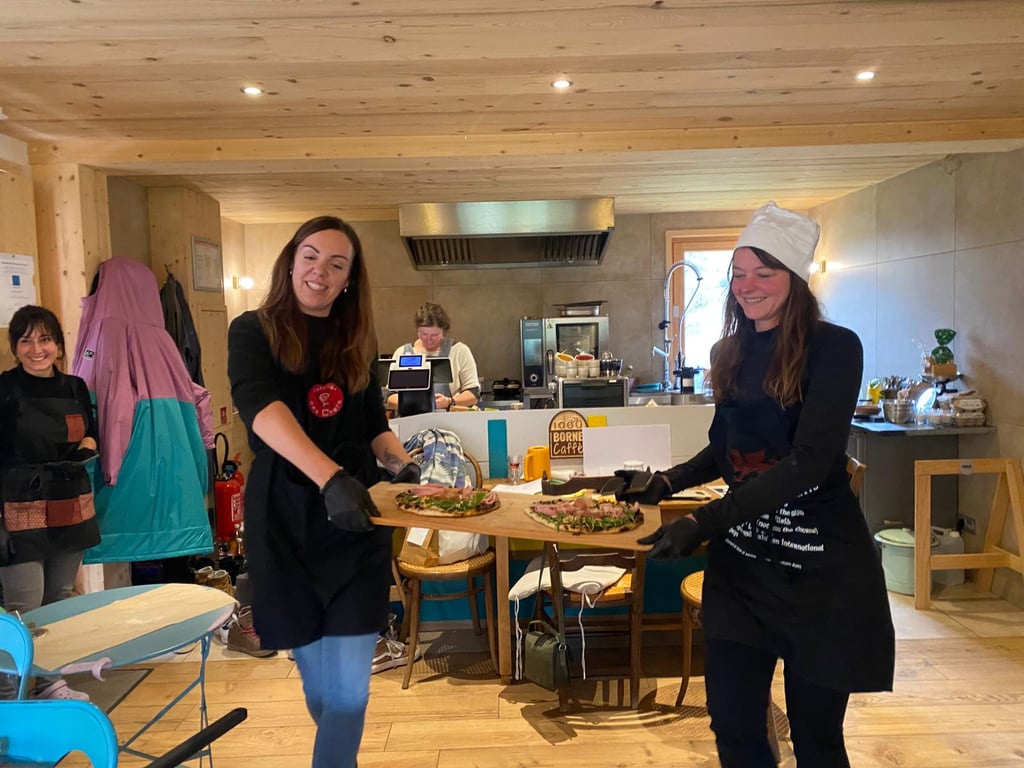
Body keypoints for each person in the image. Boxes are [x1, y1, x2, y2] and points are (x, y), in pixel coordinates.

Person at [617, 202, 894, 767]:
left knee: (817, 741)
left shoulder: (835, 348)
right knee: (734, 727)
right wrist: (666, 481)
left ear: (794, 279)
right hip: (743, 572)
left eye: (764, 273)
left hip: (819, 572)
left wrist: (703, 520)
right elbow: (725, 449)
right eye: (739, 274)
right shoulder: (729, 352)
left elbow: (809, 463)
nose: (748, 286)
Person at [227, 216, 420, 768]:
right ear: (291, 261)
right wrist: (329, 477)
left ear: (349, 279)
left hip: (353, 519)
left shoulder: (356, 338)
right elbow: (262, 410)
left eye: (337, 264)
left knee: (350, 693)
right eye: (311, 256)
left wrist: (402, 463)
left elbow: (372, 424)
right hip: (285, 519)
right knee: (321, 691)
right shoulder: (252, 330)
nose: (320, 271)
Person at [0, 305, 100, 701]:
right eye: (25, 340)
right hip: (18, 503)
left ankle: (50, 682)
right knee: (23, 603)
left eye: (45, 339)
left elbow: (92, 433)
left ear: (58, 344)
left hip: (69, 500)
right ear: (15, 347)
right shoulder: (5, 388)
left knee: (59, 599)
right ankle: (9, 693)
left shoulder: (75, 387)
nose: (36, 349)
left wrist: (88, 445)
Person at [385, 302, 480, 412]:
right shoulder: (402, 353)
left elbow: (473, 394)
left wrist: (449, 401)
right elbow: (390, 396)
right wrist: (413, 404)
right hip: (410, 419)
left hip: (448, 419)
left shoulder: (459, 351)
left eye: (434, 335)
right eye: (423, 334)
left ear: (444, 332)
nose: (428, 340)